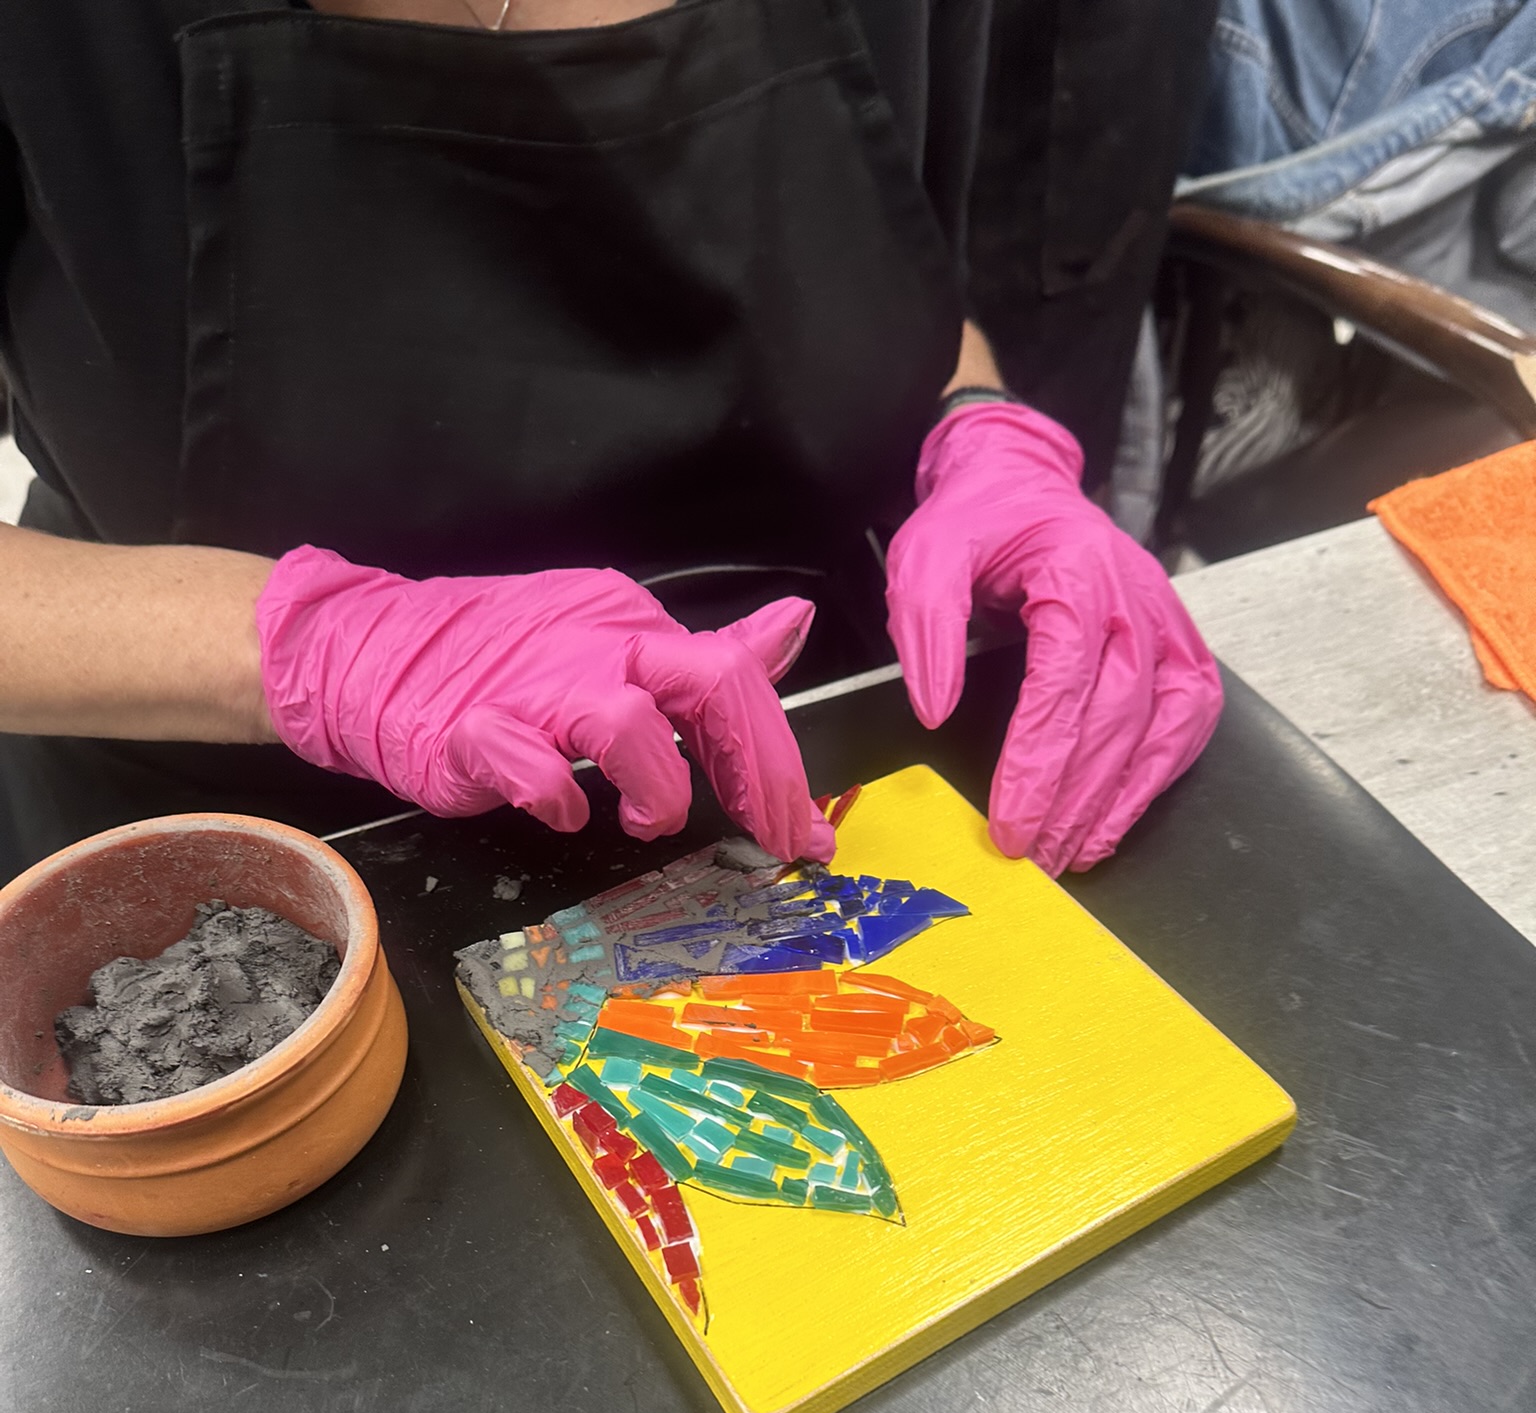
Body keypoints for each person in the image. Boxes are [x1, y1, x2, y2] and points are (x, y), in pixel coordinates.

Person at [0, 0, 1221, 882]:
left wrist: (979, 433)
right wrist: (313, 648)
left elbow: (863, 279)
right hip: (252, 886)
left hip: (818, 775)